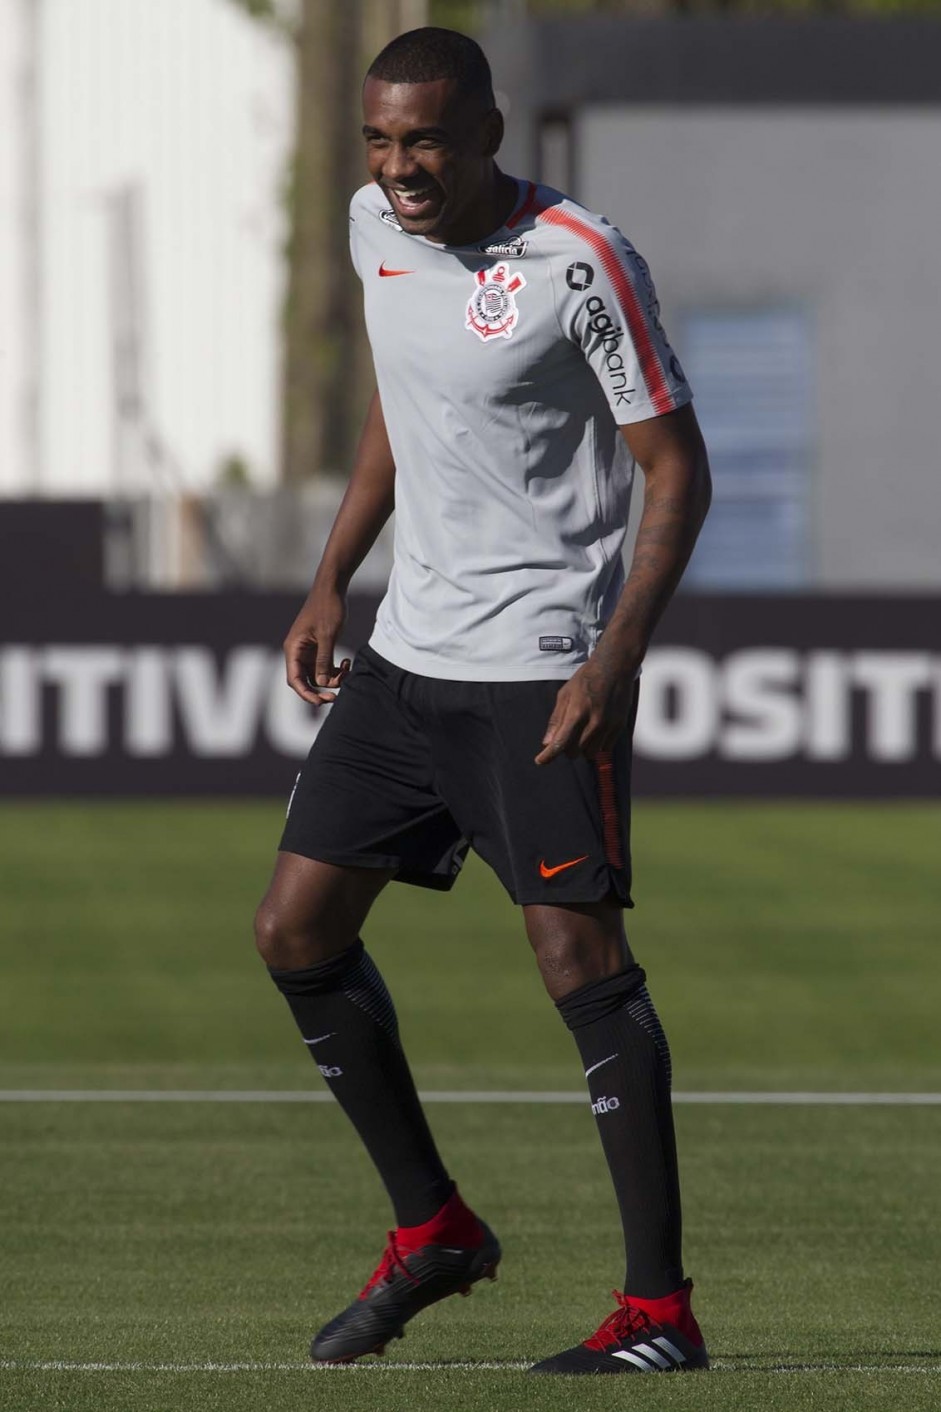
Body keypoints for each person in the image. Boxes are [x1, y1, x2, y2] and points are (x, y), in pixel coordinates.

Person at [254, 26, 712, 1376]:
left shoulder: (582, 260)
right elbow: (403, 401)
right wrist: (332, 574)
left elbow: (674, 472)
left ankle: (656, 1313)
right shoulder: (371, 229)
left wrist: (609, 658)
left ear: (488, 134)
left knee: (578, 962)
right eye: (382, 143)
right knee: (292, 930)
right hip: (406, 659)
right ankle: (434, 1231)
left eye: (427, 143)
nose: (401, 169)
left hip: (537, 667)